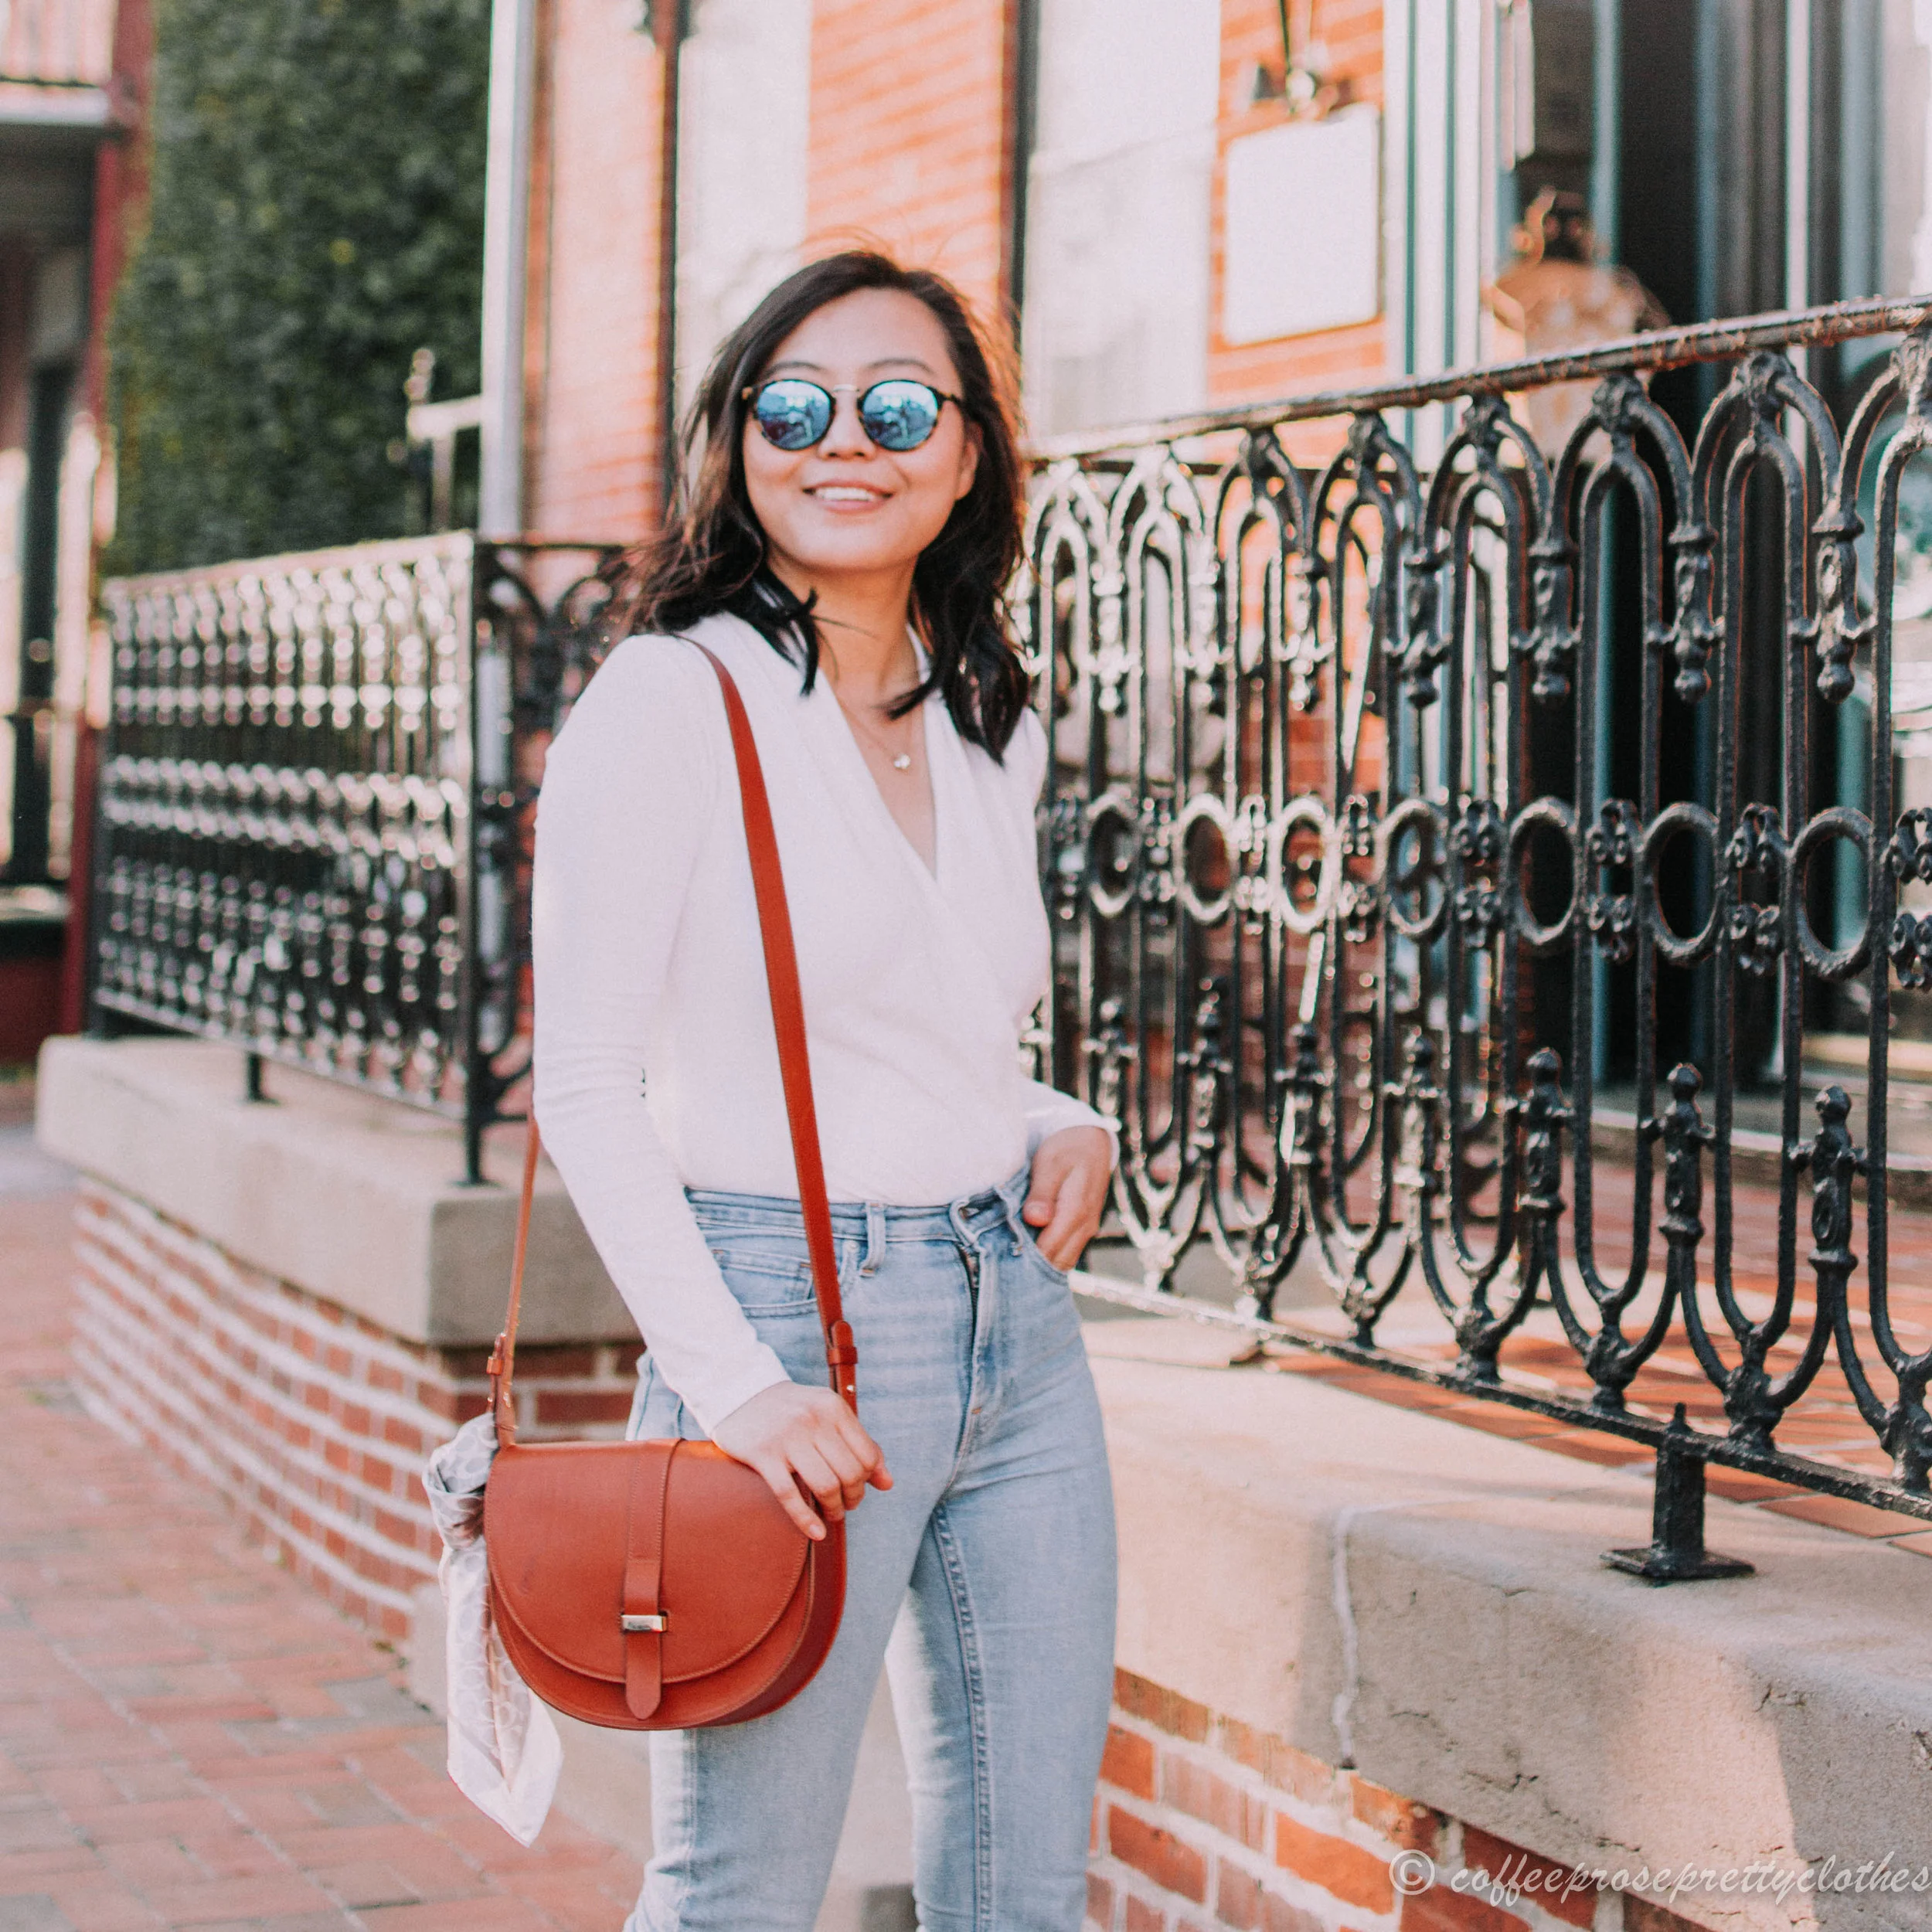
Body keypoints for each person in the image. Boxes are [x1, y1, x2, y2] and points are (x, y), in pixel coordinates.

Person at [531, 249, 1119, 1932]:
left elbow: (931, 1017)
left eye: (894, 403)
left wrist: (1045, 1113)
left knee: (1022, 1882)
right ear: (739, 441)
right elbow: (582, 1079)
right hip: (779, 1317)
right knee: (737, 1888)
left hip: (1009, 1316)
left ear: (964, 452)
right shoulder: (673, 697)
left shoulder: (986, 712)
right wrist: (731, 1384)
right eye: (792, 404)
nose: (840, 438)